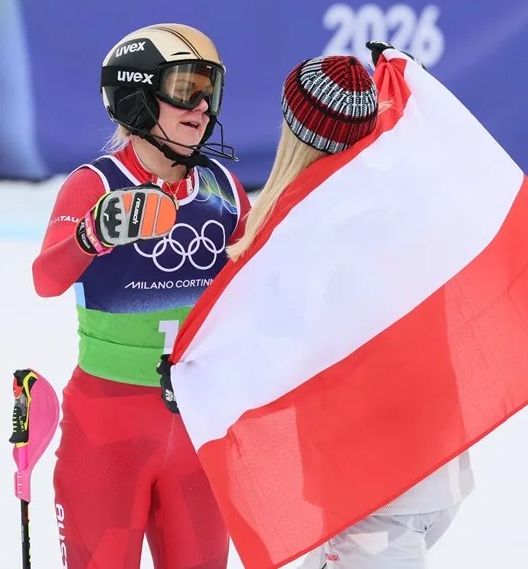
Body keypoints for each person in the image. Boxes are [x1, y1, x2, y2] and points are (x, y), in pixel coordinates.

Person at [162, 48, 473, 568]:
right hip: (439, 466)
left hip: (372, 490)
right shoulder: (400, 196)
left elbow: (282, 352)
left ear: (296, 131)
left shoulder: (314, 230)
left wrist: (199, 377)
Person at [32, 23, 251, 569]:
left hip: (200, 428)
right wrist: (92, 235)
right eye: (184, 88)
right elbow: (46, 280)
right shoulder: (95, 185)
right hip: (108, 433)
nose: (201, 106)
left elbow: (258, 290)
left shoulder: (223, 187)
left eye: (210, 90)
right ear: (134, 94)